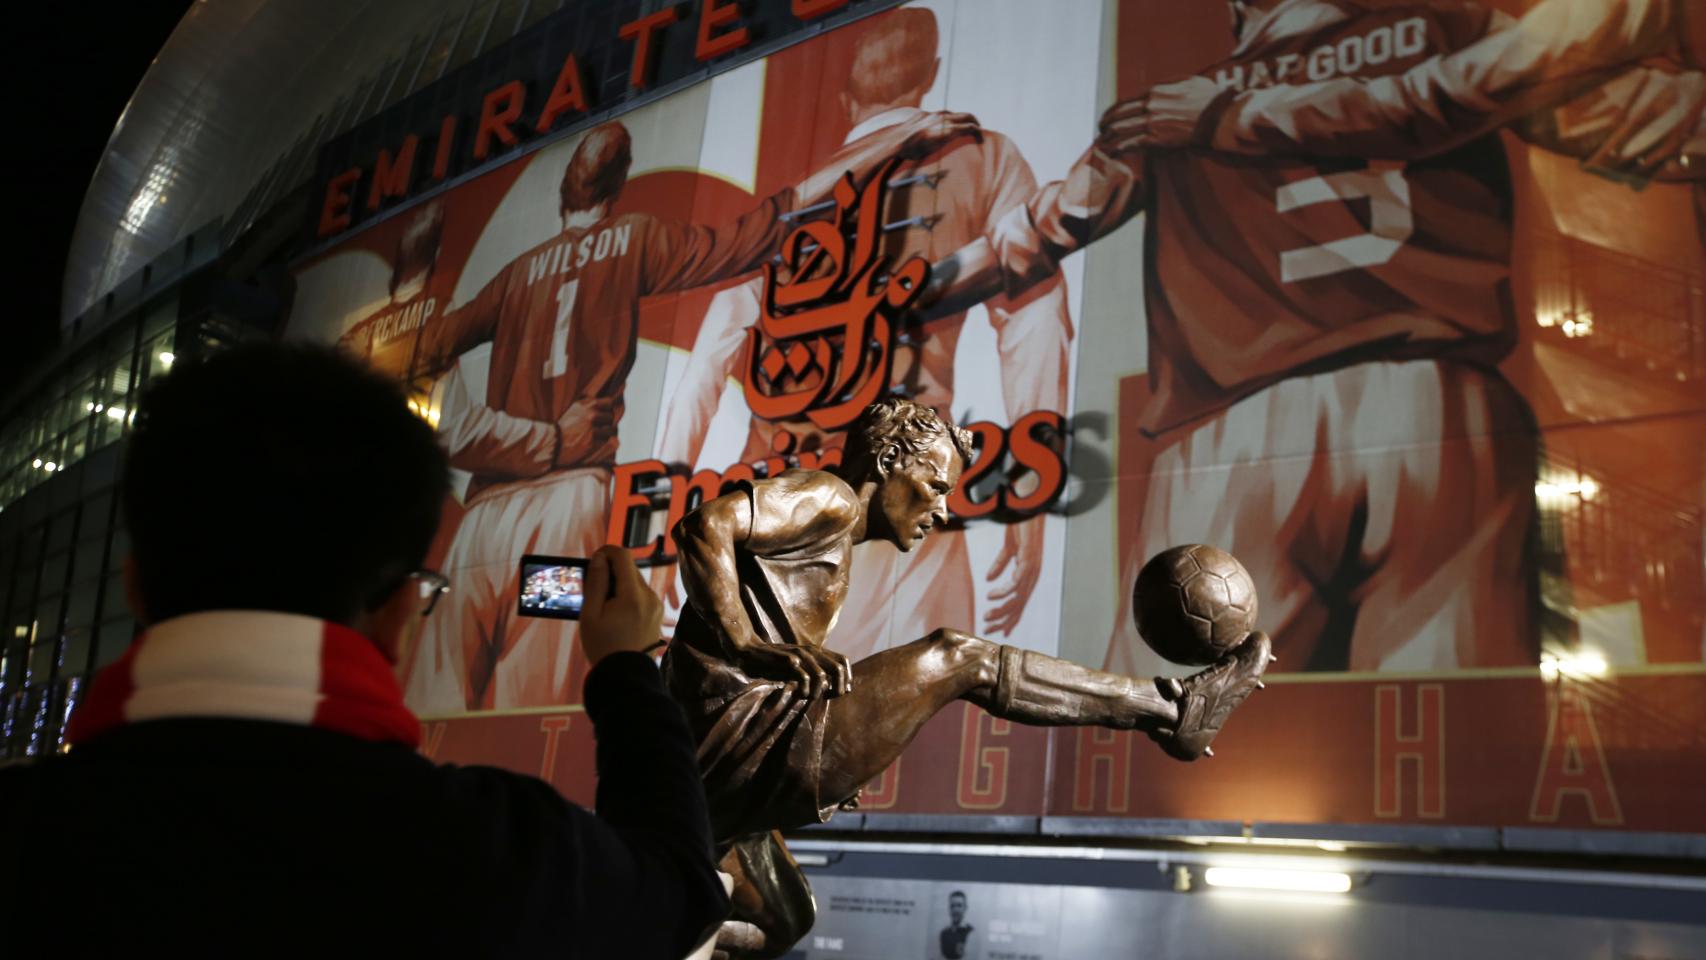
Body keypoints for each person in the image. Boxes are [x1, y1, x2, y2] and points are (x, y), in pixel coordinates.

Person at [924, 0, 1683, 675]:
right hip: (1443, 408)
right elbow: (1637, 119)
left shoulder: (1167, 109)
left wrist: (908, 292)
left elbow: (1038, 233)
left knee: (1175, 719)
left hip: (1240, 430)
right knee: (1441, 699)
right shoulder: (1459, 36)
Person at [0, 344, 727, 958]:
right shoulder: (488, 854)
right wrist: (626, 670)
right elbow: (678, 892)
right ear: (398, 611)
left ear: (134, 583)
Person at [339, 113, 980, 714]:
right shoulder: (632, 240)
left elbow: (425, 350)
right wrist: (897, 139)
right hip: (563, 514)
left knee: (430, 709)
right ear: (620, 183)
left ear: (562, 192)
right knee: (537, 702)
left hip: (484, 523)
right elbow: (770, 223)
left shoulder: (515, 275)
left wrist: (372, 328)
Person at [662, 397, 1272, 956]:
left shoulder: (830, 532)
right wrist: (747, 645)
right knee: (958, 658)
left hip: (713, 783)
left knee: (785, 919)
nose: (943, 510)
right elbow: (703, 526)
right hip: (731, 743)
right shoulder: (831, 497)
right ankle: (1171, 709)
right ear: (889, 463)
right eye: (935, 486)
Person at [654, 6, 1075, 657]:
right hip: (910, 505)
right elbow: (1035, 321)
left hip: (778, 510)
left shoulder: (789, 209)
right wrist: (1033, 488)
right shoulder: (982, 157)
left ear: (847, 98)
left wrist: (661, 527)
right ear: (930, 75)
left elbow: (698, 380)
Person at [939, 890, 974, 960]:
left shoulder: (971, 933)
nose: (955, 910)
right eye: (952, 906)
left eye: (959, 905)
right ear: (949, 909)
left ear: (965, 908)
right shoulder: (943, 933)